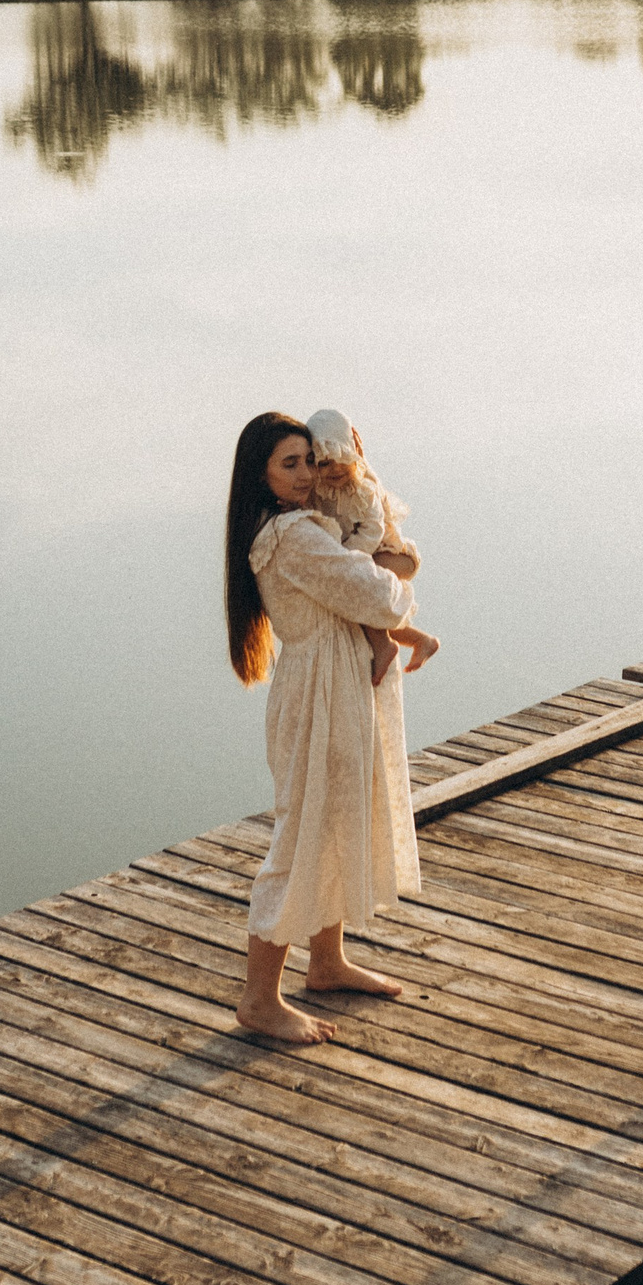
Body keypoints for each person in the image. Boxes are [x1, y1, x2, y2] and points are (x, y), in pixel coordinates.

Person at [225, 410, 426, 1044]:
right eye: (289, 464)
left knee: (336, 818)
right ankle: (260, 999)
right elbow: (379, 596)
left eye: (309, 460)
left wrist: (358, 474)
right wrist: (395, 571)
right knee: (301, 834)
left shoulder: (306, 524)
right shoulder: (294, 537)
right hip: (318, 691)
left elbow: (370, 542)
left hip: (334, 682)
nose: (306, 475)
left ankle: (327, 963)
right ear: (259, 474)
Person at [304, 405, 441, 686]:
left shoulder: (362, 488)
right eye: (324, 463)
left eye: (342, 458)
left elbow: (373, 530)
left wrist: (346, 556)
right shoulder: (320, 491)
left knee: (359, 583)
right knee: (359, 600)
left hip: (393, 553)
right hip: (360, 555)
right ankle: (420, 640)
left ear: (353, 454)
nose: (335, 469)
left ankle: (382, 645)